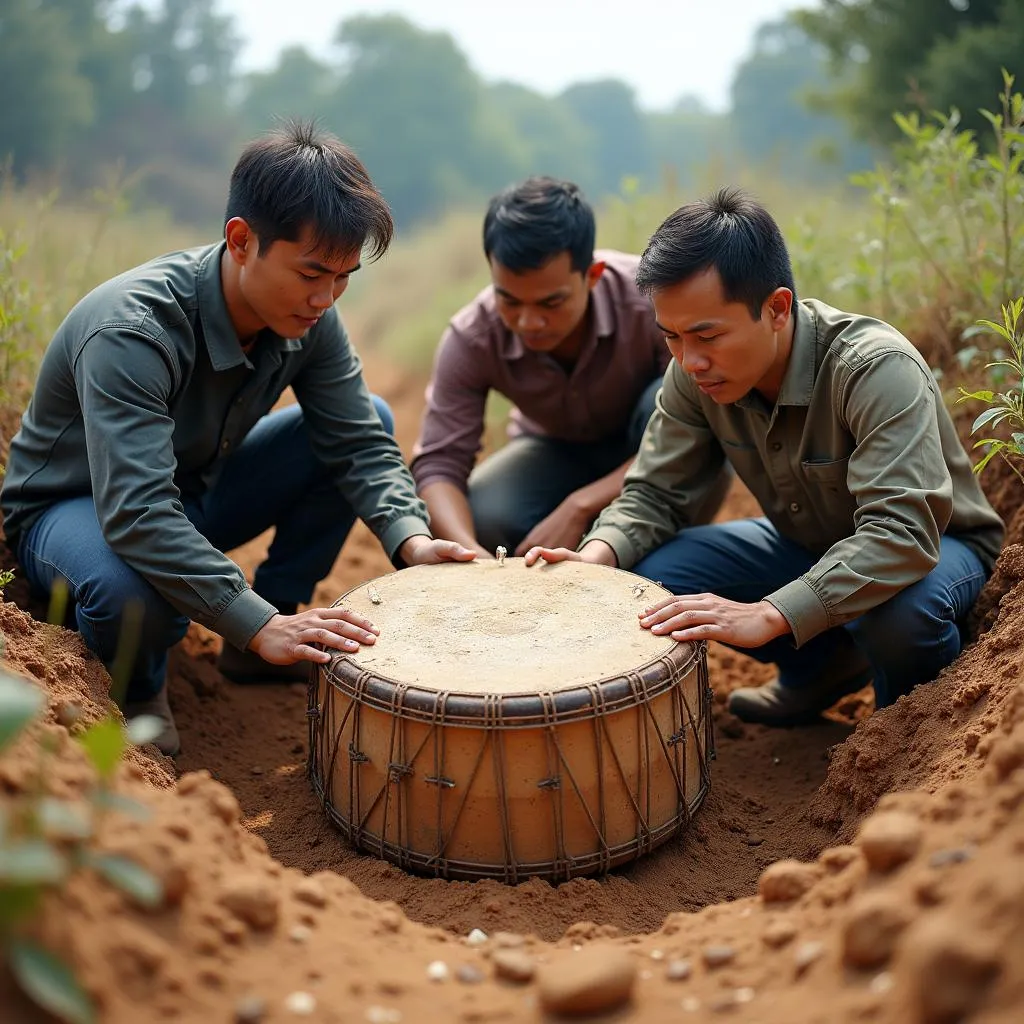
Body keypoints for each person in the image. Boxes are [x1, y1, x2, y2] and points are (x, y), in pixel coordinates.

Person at [0, 121, 475, 756]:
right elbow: (136, 514)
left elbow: (358, 441)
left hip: (193, 493)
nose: (325, 298)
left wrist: (412, 541)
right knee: (134, 592)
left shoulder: (311, 318)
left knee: (373, 422)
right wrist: (254, 621)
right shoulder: (133, 331)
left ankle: (272, 641)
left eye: (343, 278)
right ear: (242, 240)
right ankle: (137, 692)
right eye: (311, 273)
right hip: (76, 509)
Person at [524, 187, 1004, 726]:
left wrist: (773, 612)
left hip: (936, 550)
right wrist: (597, 559)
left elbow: (902, 533)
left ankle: (907, 737)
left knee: (898, 619)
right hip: (808, 546)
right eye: (673, 337)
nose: (690, 359)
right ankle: (821, 669)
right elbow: (653, 494)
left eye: (707, 335)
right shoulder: (691, 374)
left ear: (776, 309)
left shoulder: (873, 369)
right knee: (651, 575)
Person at [410, 177, 709, 559]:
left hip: (658, 445)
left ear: (592, 276)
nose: (528, 322)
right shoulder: (473, 336)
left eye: (551, 303)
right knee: (487, 514)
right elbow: (438, 465)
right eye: (510, 301)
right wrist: (472, 558)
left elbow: (696, 434)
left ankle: (659, 552)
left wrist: (581, 506)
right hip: (555, 451)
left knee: (665, 398)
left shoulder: (653, 304)